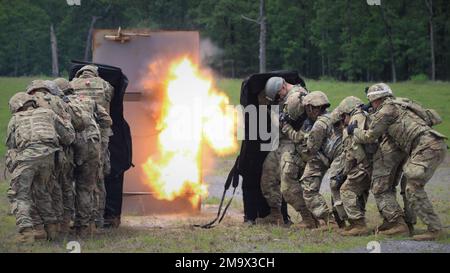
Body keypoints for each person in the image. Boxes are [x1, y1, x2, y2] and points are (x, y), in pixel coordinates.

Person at [351, 83, 447, 240]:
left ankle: (434, 229)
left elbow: (370, 136)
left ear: (375, 99)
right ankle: (414, 224)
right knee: (411, 185)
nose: (372, 104)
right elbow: (432, 118)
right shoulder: (403, 103)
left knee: (412, 187)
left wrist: (354, 131)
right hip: (434, 143)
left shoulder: (385, 111)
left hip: (425, 147)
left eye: (371, 101)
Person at [6, 92, 75, 243]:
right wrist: (67, 120)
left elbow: (12, 146)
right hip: (49, 157)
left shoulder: (15, 119)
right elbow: (68, 138)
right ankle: (52, 230)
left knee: (19, 195)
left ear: (17, 107)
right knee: (42, 192)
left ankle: (26, 232)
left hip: (27, 158)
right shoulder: (48, 113)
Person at [259, 77, 315, 227]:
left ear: (283, 87)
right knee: (268, 176)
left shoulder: (297, 97)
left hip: (294, 144)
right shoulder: (285, 97)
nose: (278, 99)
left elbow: (301, 128)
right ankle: (276, 215)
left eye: (278, 96)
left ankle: (308, 219)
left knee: (287, 185)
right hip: (282, 142)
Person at [71, 65, 114, 228]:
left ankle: (78, 218)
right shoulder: (104, 85)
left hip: (78, 135)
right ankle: (97, 218)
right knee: (98, 176)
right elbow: (110, 103)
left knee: (76, 177)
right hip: (99, 136)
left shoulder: (72, 85)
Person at [330, 96, 373, 236]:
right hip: (372, 164)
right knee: (361, 192)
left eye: (343, 117)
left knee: (346, 190)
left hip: (363, 165)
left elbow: (350, 154)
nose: (342, 122)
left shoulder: (352, 126)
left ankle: (359, 225)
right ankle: (356, 223)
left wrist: (343, 174)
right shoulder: (366, 117)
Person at [300, 91, 342, 229]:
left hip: (333, 158)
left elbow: (311, 148)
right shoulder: (334, 117)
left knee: (308, 187)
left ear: (313, 108)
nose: (306, 112)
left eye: (307, 108)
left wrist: (303, 137)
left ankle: (329, 220)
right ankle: (343, 221)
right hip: (342, 158)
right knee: (339, 188)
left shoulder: (319, 124)